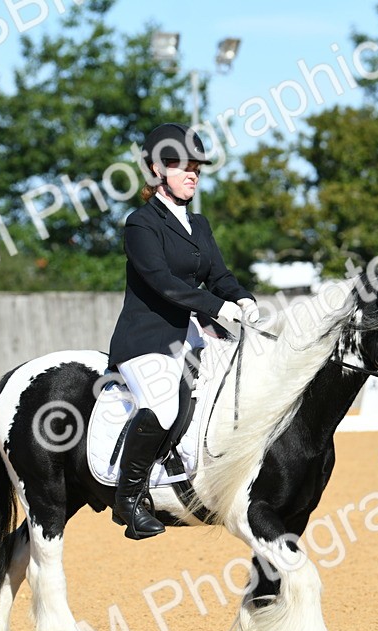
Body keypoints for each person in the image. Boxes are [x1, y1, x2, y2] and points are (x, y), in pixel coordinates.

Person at [108, 122, 259, 540]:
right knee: (163, 403)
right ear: (157, 172)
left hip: (194, 337)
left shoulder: (200, 224)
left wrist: (242, 297)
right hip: (148, 340)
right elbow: (163, 283)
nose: (192, 173)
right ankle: (129, 499)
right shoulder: (141, 224)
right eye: (181, 166)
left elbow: (219, 275)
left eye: (196, 167)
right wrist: (217, 306)